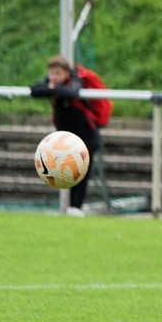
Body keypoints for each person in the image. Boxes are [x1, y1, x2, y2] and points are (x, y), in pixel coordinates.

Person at [29, 55, 103, 217]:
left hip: (86, 137)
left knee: (81, 172)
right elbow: (34, 90)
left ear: (67, 73)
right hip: (66, 139)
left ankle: (76, 207)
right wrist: (52, 88)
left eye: (58, 73)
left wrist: (52, 89)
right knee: (65, 171)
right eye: (52, 74)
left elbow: (72, 92)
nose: (54, 77)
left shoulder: (76, 79)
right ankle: (70, 207)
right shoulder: (53, 83)